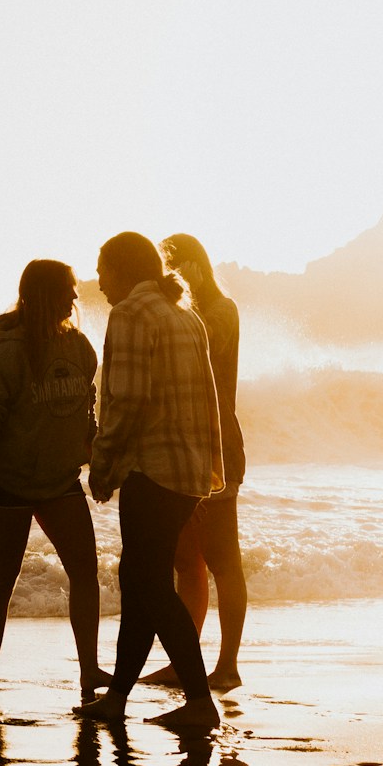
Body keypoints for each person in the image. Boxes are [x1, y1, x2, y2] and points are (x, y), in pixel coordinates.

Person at [75, 232, 224, 729]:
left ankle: (201, 703)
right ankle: (118, 695)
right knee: (141, 579)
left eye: (103, 269)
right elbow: (209, 400)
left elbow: (129, 399)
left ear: (123, 268)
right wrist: (211, 465)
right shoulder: (185, 314)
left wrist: (103, 465)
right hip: (186, 471)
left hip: (152, 469)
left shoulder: (132, 314)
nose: (99, 282)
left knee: (147, 583)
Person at [0, 259, 108, 694]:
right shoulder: (9, 353)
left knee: (86, 572)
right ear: (44, 294)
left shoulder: (80, 347)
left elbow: (88, 404)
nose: (74, 297)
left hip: (61, 481)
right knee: (3, 577)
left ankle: (89, 669)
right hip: (8, 481)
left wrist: (94, 450)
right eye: (67, 289)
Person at [146, 233, 248, 692]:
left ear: (194, 266)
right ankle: (184, 661)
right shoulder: (179, 312)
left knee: (223, 560)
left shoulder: (219, 312)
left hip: (218, 448)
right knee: (187, 561)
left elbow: (199, 352)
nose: (167, 278)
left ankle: (227, 665)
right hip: (181, 447)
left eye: (174, 267)